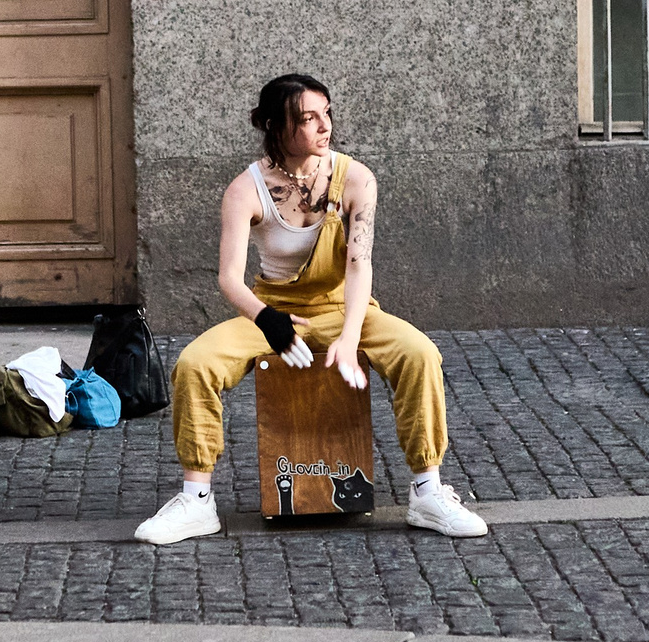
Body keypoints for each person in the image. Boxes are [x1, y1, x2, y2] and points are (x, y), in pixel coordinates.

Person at [134, 74, 488, 545]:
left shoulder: (356, 178)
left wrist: (348, 335)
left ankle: (427, 490)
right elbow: (228, 278)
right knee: (195, 364)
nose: (326, 126)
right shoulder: (246, 189)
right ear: (277, 127)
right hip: (274, 310)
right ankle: (196, 501)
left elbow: (360, 266)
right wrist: (267, 320)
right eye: (309, 118)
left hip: (346, 307)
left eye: (327, 113)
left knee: (419, 354)